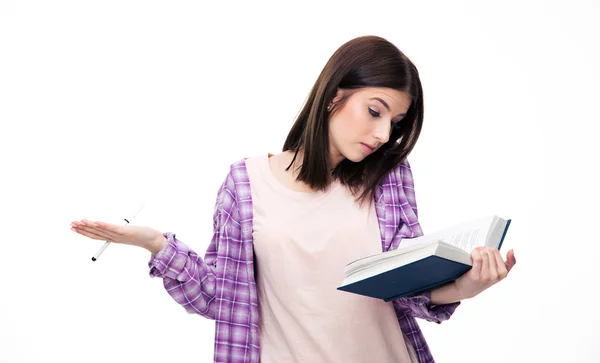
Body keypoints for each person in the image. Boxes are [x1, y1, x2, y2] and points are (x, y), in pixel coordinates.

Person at [70, 35, 516, 363]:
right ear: (334, 96)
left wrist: (466, 286)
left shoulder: (390, 177)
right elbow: (219, 299)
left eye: (395, 123)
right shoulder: (246, 185)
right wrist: (155, 244)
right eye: (375, 111)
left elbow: (408, 289)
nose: (383, 135)